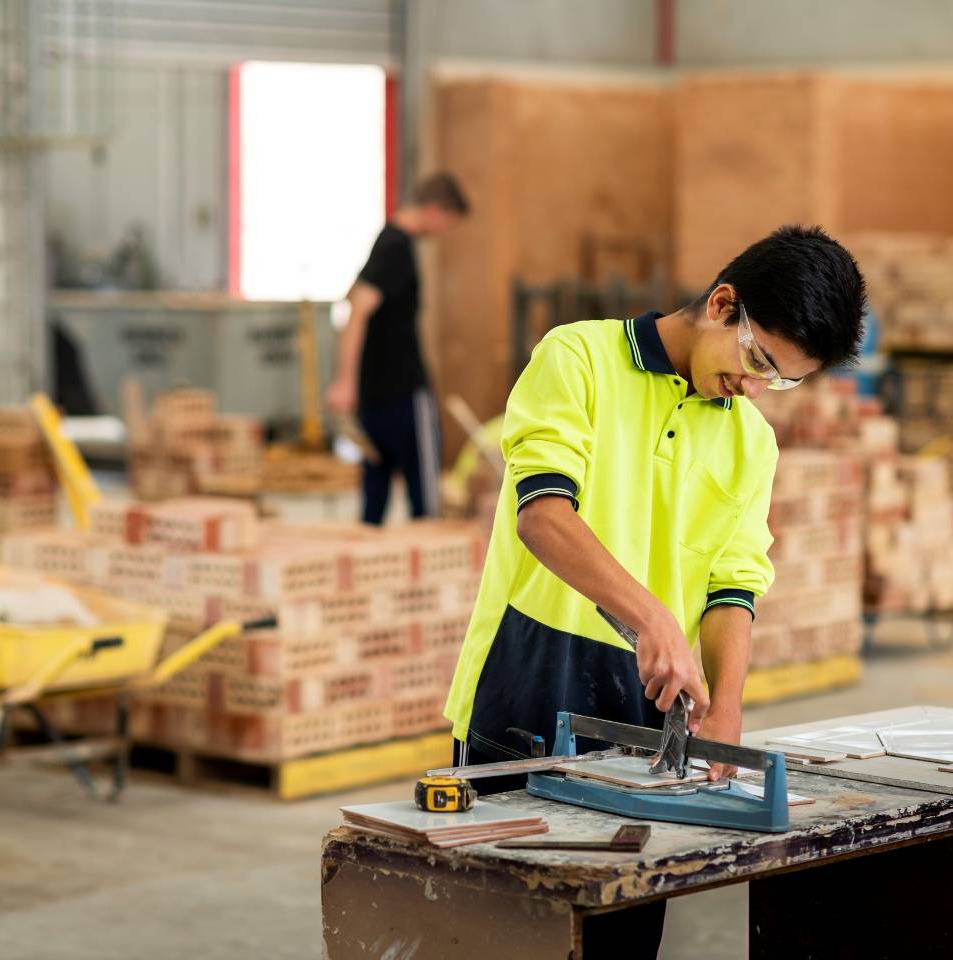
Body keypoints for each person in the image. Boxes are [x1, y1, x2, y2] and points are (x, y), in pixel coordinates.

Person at [442, 225, 866, 958]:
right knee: (504, 937)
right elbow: (543, 516)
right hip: (524, 685)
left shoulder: (749, 442)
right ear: (722, 303)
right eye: (757, 359)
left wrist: (726, 706)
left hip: (649, 720)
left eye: (782, 379)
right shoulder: (577, 359)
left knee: (623, 940)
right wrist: (653, 619)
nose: (755, 387)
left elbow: (736, 582)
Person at [325, 173, 469, 525]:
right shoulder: (397, 246)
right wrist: (345, 381)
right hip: (402, 393)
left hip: (375, 394)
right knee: (424, 502)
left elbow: (352, 297)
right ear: (435, 210)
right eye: (448, 222)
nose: (444, 231)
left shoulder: (386, 241)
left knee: (374, 501)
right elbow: (357, 309)